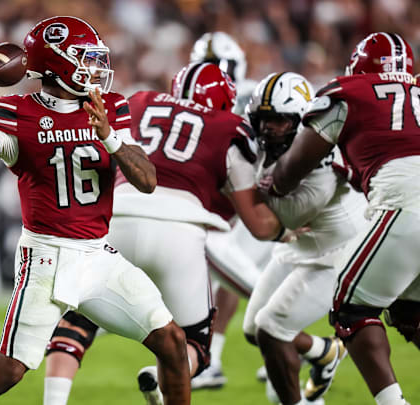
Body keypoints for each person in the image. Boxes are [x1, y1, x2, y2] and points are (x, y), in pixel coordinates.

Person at [0, 16, 192, 405]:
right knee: (6, 372)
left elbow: (146, 180)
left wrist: (109, 136)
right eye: (85, 59)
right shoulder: (15, 110)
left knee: (173, 342)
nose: (96, 69)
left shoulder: (108, 106)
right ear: (59, 64)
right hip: (47, 258)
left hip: (99, 254)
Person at [42, 62, 290, 405]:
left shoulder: (141, 102)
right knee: (193, 346)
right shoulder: (229, 127)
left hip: (117, 220)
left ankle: (53, 402)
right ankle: (161, 377)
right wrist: (292, 225)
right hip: (179, 233)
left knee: (78, 321)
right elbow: (259, 225)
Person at [271, 32, 420, 405]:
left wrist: (269, 183)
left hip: (407, 199)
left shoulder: (347, 91)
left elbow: (292, 170)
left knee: (350, 307)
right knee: (408, 309)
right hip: (407, 199)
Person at [243, 72, 367, 405]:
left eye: (279, 121)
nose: (268, 129)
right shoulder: (263, 144)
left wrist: (239, 188)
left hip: (336, 254)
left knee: (271, 329)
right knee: (254, 330)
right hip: (297, 247)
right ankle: (325, 351)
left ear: (301, 121)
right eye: (263, 120)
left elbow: (284, 218)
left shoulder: (320, 155)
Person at [189, 31, 275, 388]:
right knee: (225, 277)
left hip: (255, 196)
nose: (216, 74)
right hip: (237, 198)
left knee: (232, 276)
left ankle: (292, 347)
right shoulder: (206, 97)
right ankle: (216, 358)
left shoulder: (252, 92)